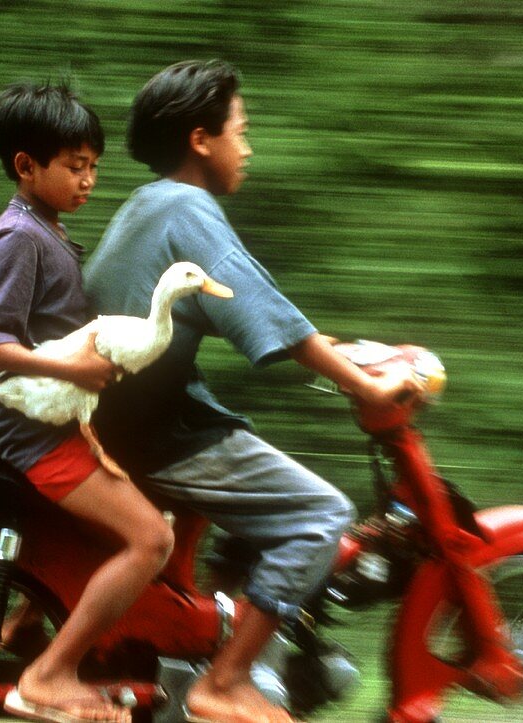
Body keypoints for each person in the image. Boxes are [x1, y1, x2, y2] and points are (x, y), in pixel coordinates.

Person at [82, 61, 421, 723]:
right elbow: (262, 306)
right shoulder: (188, 208)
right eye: (242, 130)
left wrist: (343, 352)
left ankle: (215, 643)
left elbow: (263, 310)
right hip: (157, 431)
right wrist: (366, 383)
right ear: (201, 139)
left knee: (251, 464)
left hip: (130, 418)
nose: (249, 147)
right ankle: (226, 681)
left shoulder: (148, 203)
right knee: (320, 514)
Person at [0, 81, 173, 723]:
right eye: (75, 166)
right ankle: (49, 677)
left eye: (94, 167)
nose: (88, 180)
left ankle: (26, 632)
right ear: (26, 166)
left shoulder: (45, 228)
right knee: (151, 540)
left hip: (42, 420)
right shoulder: (20, 238)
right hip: (25, 432)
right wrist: (70, 362)